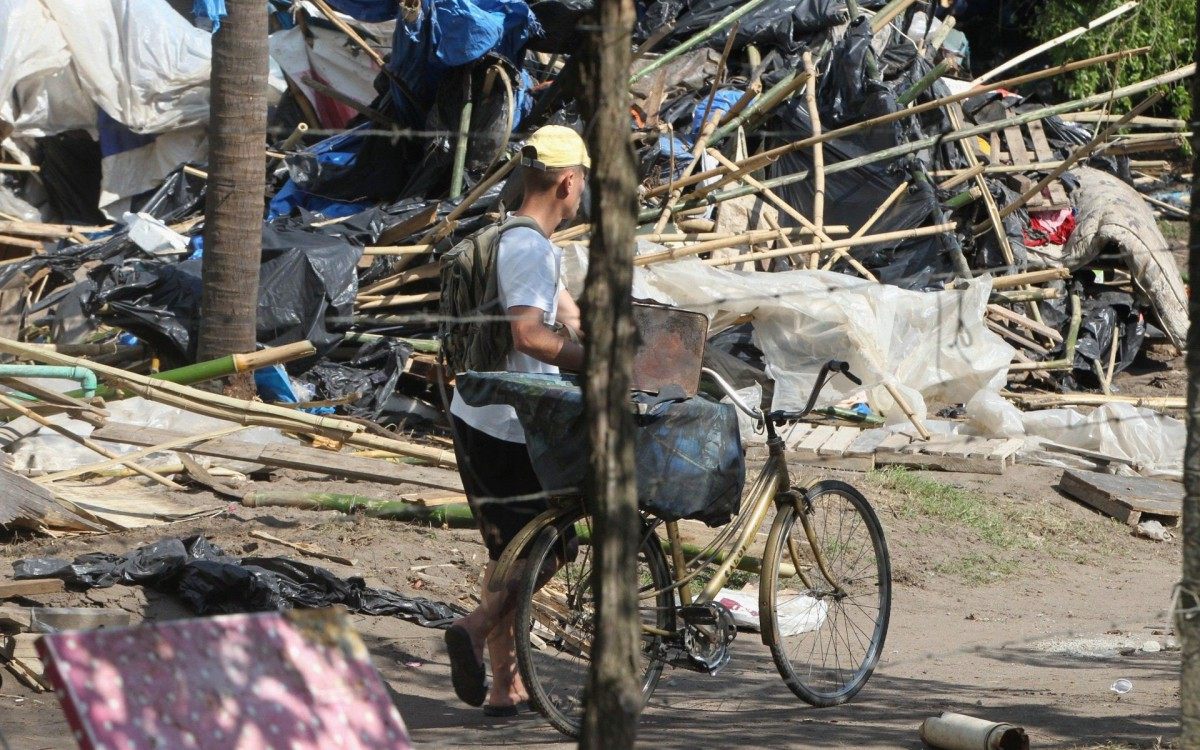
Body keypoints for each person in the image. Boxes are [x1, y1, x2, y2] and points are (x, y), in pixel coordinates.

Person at [443, 125, 588, 716]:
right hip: (508, 425)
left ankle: (506, 687)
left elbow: (565, 314)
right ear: (567, 182)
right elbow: (528, 333)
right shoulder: (529, 250)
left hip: (481, 416)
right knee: (553, 548)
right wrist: (596, 363)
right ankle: (474, 628)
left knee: (509, 554)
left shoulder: (519, 238)